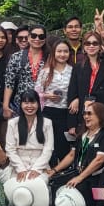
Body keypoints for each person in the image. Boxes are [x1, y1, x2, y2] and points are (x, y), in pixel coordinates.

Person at [50, 98, 104, 206]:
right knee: (56, 182)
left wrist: (79, 178)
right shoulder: (83, 133)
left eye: (90, 114)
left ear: (100, 116)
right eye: (85, 114)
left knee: (73, 189)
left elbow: (99, 160)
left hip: (94, 177)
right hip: (78, 172)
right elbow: (71, 155)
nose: (86, 117)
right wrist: (54, 170)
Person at [0, 90, 53, 206]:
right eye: (26, 103)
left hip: (40, 165)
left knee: (37, 185)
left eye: (32, 103)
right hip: (18, 165)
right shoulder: (13, 123)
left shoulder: (47, 123)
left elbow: (48, 149)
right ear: (21, 104)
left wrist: (36, 169)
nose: (29, 106)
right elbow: (10, 149)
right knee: (16, 189)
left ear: (38, 104)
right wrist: (21, 169)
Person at [35, 38, 73, 166]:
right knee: (48, 145)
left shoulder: (73, 71)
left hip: (66, 113)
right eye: (59, 51)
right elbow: (36, 92)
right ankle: (48, 173)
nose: (62, 54)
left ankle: (62, 174)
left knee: (63, 146)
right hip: (48, 112)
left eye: (65, 51)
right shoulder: (45, 71)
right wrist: (46, 95)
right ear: (53, 53)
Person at [1, 24, 47, 121]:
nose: (37, 39)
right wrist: (5, 106)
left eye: (41, 36)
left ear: (45, 39)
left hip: (43, 105)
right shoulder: (16, 57)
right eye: (34, 36)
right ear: (29, 37)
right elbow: (9, 83)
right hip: (21, 104)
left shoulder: (49, 57)